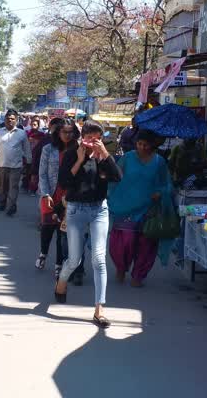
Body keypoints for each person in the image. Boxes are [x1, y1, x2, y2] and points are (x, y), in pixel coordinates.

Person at [54, 121, 122, 328]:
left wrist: (105, 156)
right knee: (74, 259)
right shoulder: (73, 153)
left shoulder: (103, 156)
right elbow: (64, 182)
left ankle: (99, 309)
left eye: (97, 138)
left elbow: (118, 177)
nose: (93, 142)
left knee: (99, 259)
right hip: (76, 209)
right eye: (89, 138)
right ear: (81, 137)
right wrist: (80, 159)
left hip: (99, 209)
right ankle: (62, 281)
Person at [107, 130, 172, 287]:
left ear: (152, 145)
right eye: (139, 144)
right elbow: (115, 176)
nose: (142, 147)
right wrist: (109, 194)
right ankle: (121, 268)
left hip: (149, 208)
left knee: (147, 244)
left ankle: (139, 275)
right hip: (125, 207)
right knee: (124, 242)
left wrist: (160, 193)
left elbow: (167, 184)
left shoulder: (159, 162)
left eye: (145, 144)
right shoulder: (128, 158)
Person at [37, 118, 80, 279]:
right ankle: (43, 254)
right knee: (47, 227)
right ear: (58, 132)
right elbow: (42, 173)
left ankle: (58, 265)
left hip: (68, 196)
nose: (67, 135)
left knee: (62, 232)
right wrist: (46, 194)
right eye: (64, 132)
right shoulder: (48, 149)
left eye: (71, 132)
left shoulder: (78, 150)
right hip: (50, 194)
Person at [0, 109, 31, 216]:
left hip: (16, 166)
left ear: (16, 120)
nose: (10, 121)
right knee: (1, 187)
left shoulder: (22, 133)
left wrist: (29, 162)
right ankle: (2, 203)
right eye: (8, 119)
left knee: (13, 187)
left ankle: (12, 206)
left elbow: (27, 149)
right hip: (1, 164)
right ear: (5, 120)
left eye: (12, 119)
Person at [24, 117, 46, 193]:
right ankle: (25, 186)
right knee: (27, 171)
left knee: (34, 173)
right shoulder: (27, 133)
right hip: (28, 154)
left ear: (38, 125)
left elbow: (43, 144)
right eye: (32, 124)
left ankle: (33, 188)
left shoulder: (42, 134)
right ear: (30, 124)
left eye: (35, 124)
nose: (34, 126)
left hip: (37, 155)